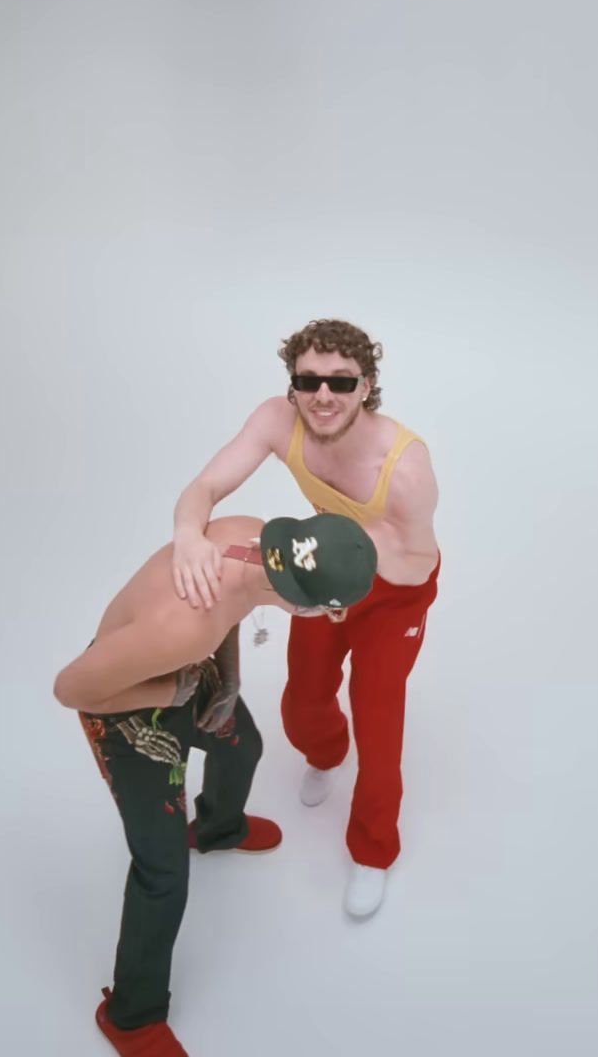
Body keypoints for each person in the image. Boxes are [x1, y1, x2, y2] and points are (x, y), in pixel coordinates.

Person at [54, 512, 377, 1056]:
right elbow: (73, 689)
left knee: (241, 744)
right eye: (333, 610)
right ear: (305, 603)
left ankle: (218, 828)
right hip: (124, 704)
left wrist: (227, 677)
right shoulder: (184, 628)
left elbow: (234, 605)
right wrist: (171, 692)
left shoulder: (248, 539)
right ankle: (131, 1017)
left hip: (180, 668)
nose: (333, 617)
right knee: (162, 873)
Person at [171, 319, 440, 918]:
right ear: (292, 386)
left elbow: (419, 561)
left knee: (379, 723)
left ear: (365, 386)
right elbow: (207, 483)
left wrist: (344, 570)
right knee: (302, 701)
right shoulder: (276, 419)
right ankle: (324, 754)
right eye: (308, 381)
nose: (323, 396)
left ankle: (373, 853)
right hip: (322, 568)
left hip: (396, 589)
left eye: (340, 383)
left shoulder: (407, 466)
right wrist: (189, 535)